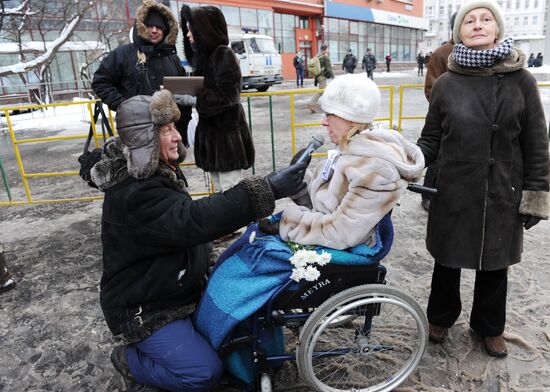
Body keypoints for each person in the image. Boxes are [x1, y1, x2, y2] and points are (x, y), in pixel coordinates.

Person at [90, 89, 307, 391]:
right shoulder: (134, 192)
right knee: (203, 373)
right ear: (144, 139)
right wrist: (267, 188)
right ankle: (129, 360)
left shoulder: (152, 172)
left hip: (173, 289)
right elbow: (191, 220)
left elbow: (184, 225)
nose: (177, 136)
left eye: (174, 127)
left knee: (237, 329)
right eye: (165, 130)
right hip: (145, 309)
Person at [417, 0, 549, 358]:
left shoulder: (521, 80)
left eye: (485, 19)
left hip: (502, 186)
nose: (477, 24)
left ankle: (490, 327)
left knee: (494, 263)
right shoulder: (446, 82)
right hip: (453, 186)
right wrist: (409, 160)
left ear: (497, 30)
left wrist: (535, 192)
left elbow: (536, 140)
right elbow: (431, 139)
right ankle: (441, 317)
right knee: (446, 259)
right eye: (469, 21)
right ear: (459, 32)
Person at [262, 74, 424, 249]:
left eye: (329, 114)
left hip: (343, 259)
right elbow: (327, 206)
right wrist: (299, 185)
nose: (323, 122)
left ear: (352, 118)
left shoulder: (376, 169)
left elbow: (341, 233)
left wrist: (289, 224)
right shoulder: (348, 148)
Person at [91, 0, 192, 145]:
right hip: (137, 132)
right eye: (150, 26)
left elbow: (182, 91)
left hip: (171, 132)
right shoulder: (123, 54)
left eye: (159, 27)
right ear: (141, 27)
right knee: (141, 167)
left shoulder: (172, 58)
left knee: (170, 168)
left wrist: (184, 121)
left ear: (166, 30)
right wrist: (124, 106)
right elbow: (100, 82)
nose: (154, 30)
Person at [180, 5, 255, 193]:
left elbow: (228, 96)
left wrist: (193, 99)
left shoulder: (223, 55)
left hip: (226, 141)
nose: (188, 35)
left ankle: (242, 223)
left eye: (192, 30)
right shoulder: (207, 58)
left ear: (204, 30)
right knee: (223, 194)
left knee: (232, 194)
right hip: (215, 141)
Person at [422, 11, 457, 211]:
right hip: (444, 119)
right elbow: (430, 88)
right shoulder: (442, 53)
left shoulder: (481, 53)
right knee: (436, 158)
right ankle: (427, 194)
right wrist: (448, 110)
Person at [307, 44, 333, 113]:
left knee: (324, 91)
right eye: (327, 49)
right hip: (322, 77)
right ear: (324, 50)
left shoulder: (318, 56)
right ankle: (311, 104)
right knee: (321, 91)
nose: (328, 50)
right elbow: (329, 68)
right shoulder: (325, 57)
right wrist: (333, 76)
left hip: (318, 76)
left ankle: (327, 106)